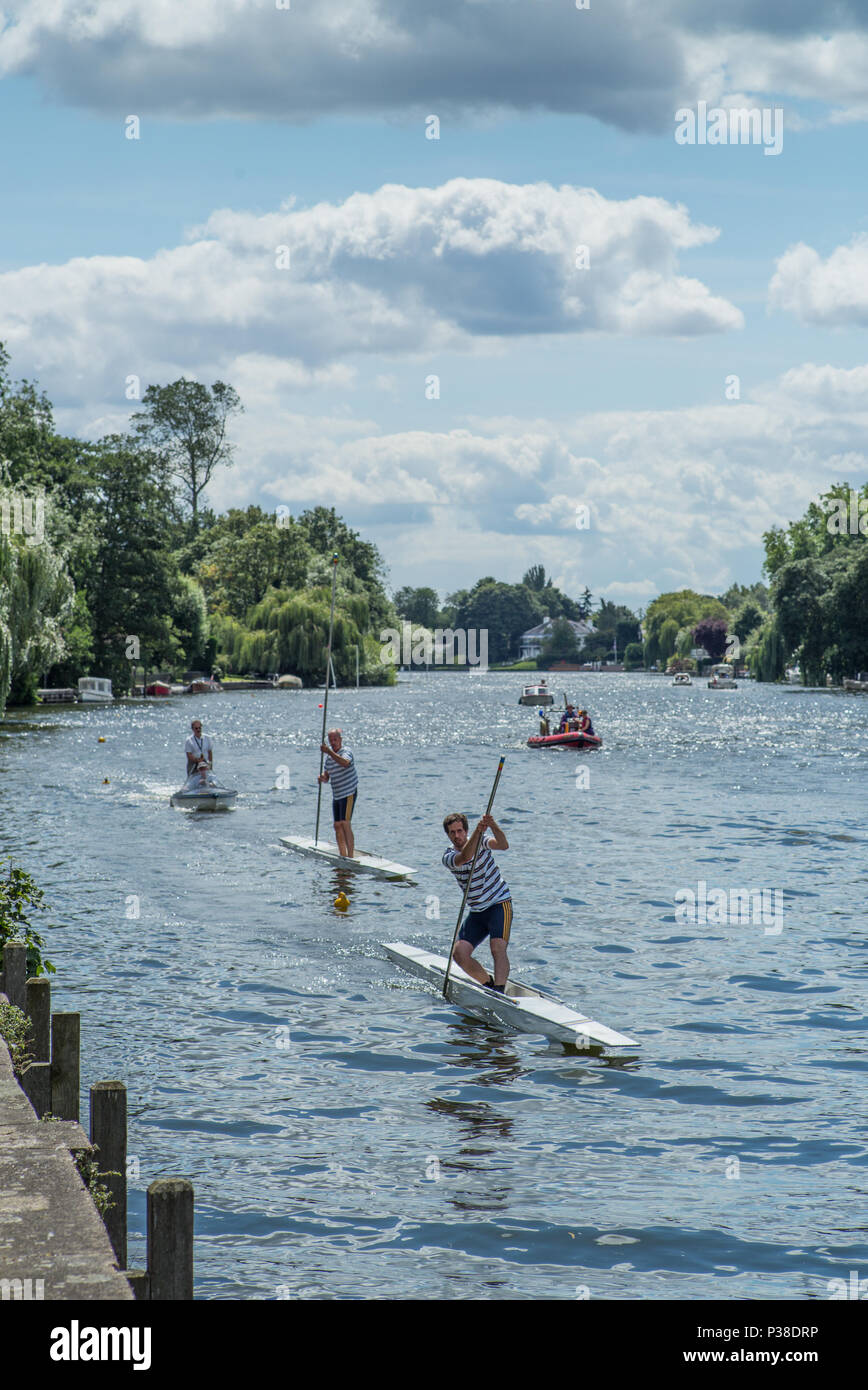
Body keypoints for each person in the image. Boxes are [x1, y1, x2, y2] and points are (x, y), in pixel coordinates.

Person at [442, 811, 513, 993]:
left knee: (497, 948)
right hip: (477, 911)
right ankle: (488, 985)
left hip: (499, 903)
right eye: (452, 833)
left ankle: (499, 989)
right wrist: (478, 831)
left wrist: (492, 825)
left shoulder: (482, 840)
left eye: (460, 831)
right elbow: (465, 857)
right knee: (459, 954)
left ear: (465, 831)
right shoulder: (448, 857)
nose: (457, 836)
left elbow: (504, 845)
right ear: (448, 835)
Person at [318, 728, 358, 858]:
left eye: (335, 739)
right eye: (331, 740)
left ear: (340, 740)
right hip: (337, 795)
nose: (333, 742)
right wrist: (322, 778)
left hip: (349, 792)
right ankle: (343, 855)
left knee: (345, 823)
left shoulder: (346, 751)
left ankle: (351, 856)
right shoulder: (329, 759)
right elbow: (327, 776)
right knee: (337, 825)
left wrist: (328, 751)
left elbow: (345, 763)